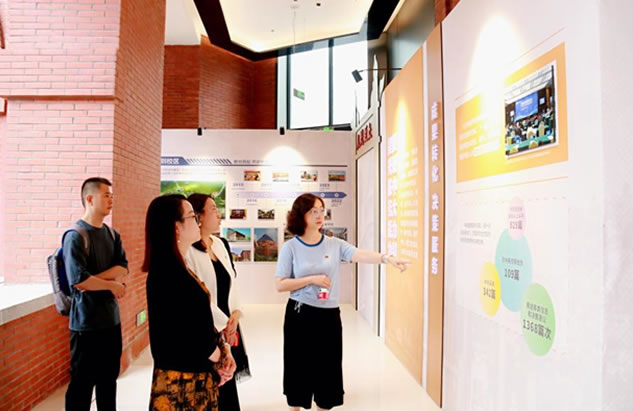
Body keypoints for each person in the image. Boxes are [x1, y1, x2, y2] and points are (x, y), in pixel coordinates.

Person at [275, 193, 410, 411]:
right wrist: (311, 279)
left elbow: (359, 255)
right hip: (300, 315)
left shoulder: (334, 244)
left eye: (322, 210)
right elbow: (280, 284)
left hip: (328, 315)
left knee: (328, 368)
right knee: (298, 366)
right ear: (301, 215)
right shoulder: (291, 247)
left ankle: (323, 405)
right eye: (313, 211)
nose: (320, 215)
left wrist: (387, 258)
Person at [143, 194, 236, 411]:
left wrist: (223, 351)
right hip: (182, 385)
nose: (198, 222)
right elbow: (190, 335)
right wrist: (221, 358)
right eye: (192, 216)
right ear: (176, 227)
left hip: (194, 377)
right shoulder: (168, 275)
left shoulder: (179, 269)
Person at [64, 177, 128, 411]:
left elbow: (123, 268)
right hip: (85, 325)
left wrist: (95, 280)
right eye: (106, 195)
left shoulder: (113, 235)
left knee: (108, 382)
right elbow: (78, 281)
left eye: (112, 195)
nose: (111, 200)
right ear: (90, 199)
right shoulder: (75, 236)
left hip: (111, 322)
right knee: (81, 385)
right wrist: (111, 285)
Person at [185, 193, 251, 411]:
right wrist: (223, 325)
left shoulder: (221, 244)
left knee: (228, 382)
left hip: (229, 323)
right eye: (213, 209)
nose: (218, 213)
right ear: (199, 216)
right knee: (213, 382)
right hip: (208, 325)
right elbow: (198, 296)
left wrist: (236, 314)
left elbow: (232, 280)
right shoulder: (188, 251)